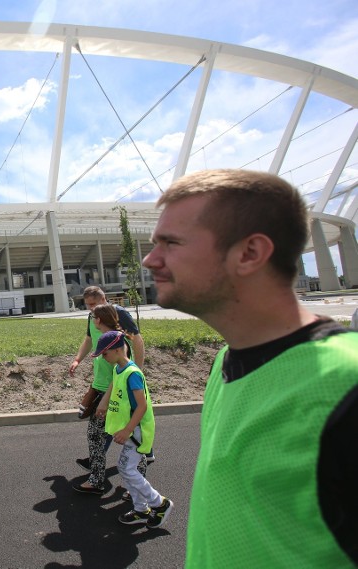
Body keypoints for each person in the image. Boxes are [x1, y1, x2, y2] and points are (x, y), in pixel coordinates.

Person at [142, 169, 357, 566]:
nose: (150, 259)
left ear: (250, 254)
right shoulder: (225, 362)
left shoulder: (345, 385)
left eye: (170, 243)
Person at [68, 286, 147, 494]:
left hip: (116, 391)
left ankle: (137, 489)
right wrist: (78, 360)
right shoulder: (103, 330)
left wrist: (136, 373)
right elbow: (89, 341)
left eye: (94, 309)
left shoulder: (117, 339)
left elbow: (121, 368)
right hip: (104, 387)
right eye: (89, 308)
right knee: (101, 434)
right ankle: (98, 478)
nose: (91, 313)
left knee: (129, 440)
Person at [93, 330, 173, 528]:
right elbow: (113, 384)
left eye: (105, 353)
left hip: (136, 431)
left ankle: (159, 503)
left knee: (128, 468)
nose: (104, 357)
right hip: (130, 430)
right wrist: (103, 403)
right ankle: (141, 509)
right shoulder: (118, 368)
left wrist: (128, 430)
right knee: (125, 468)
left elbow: (142, 405)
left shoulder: (133, 373)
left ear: (119, 350)